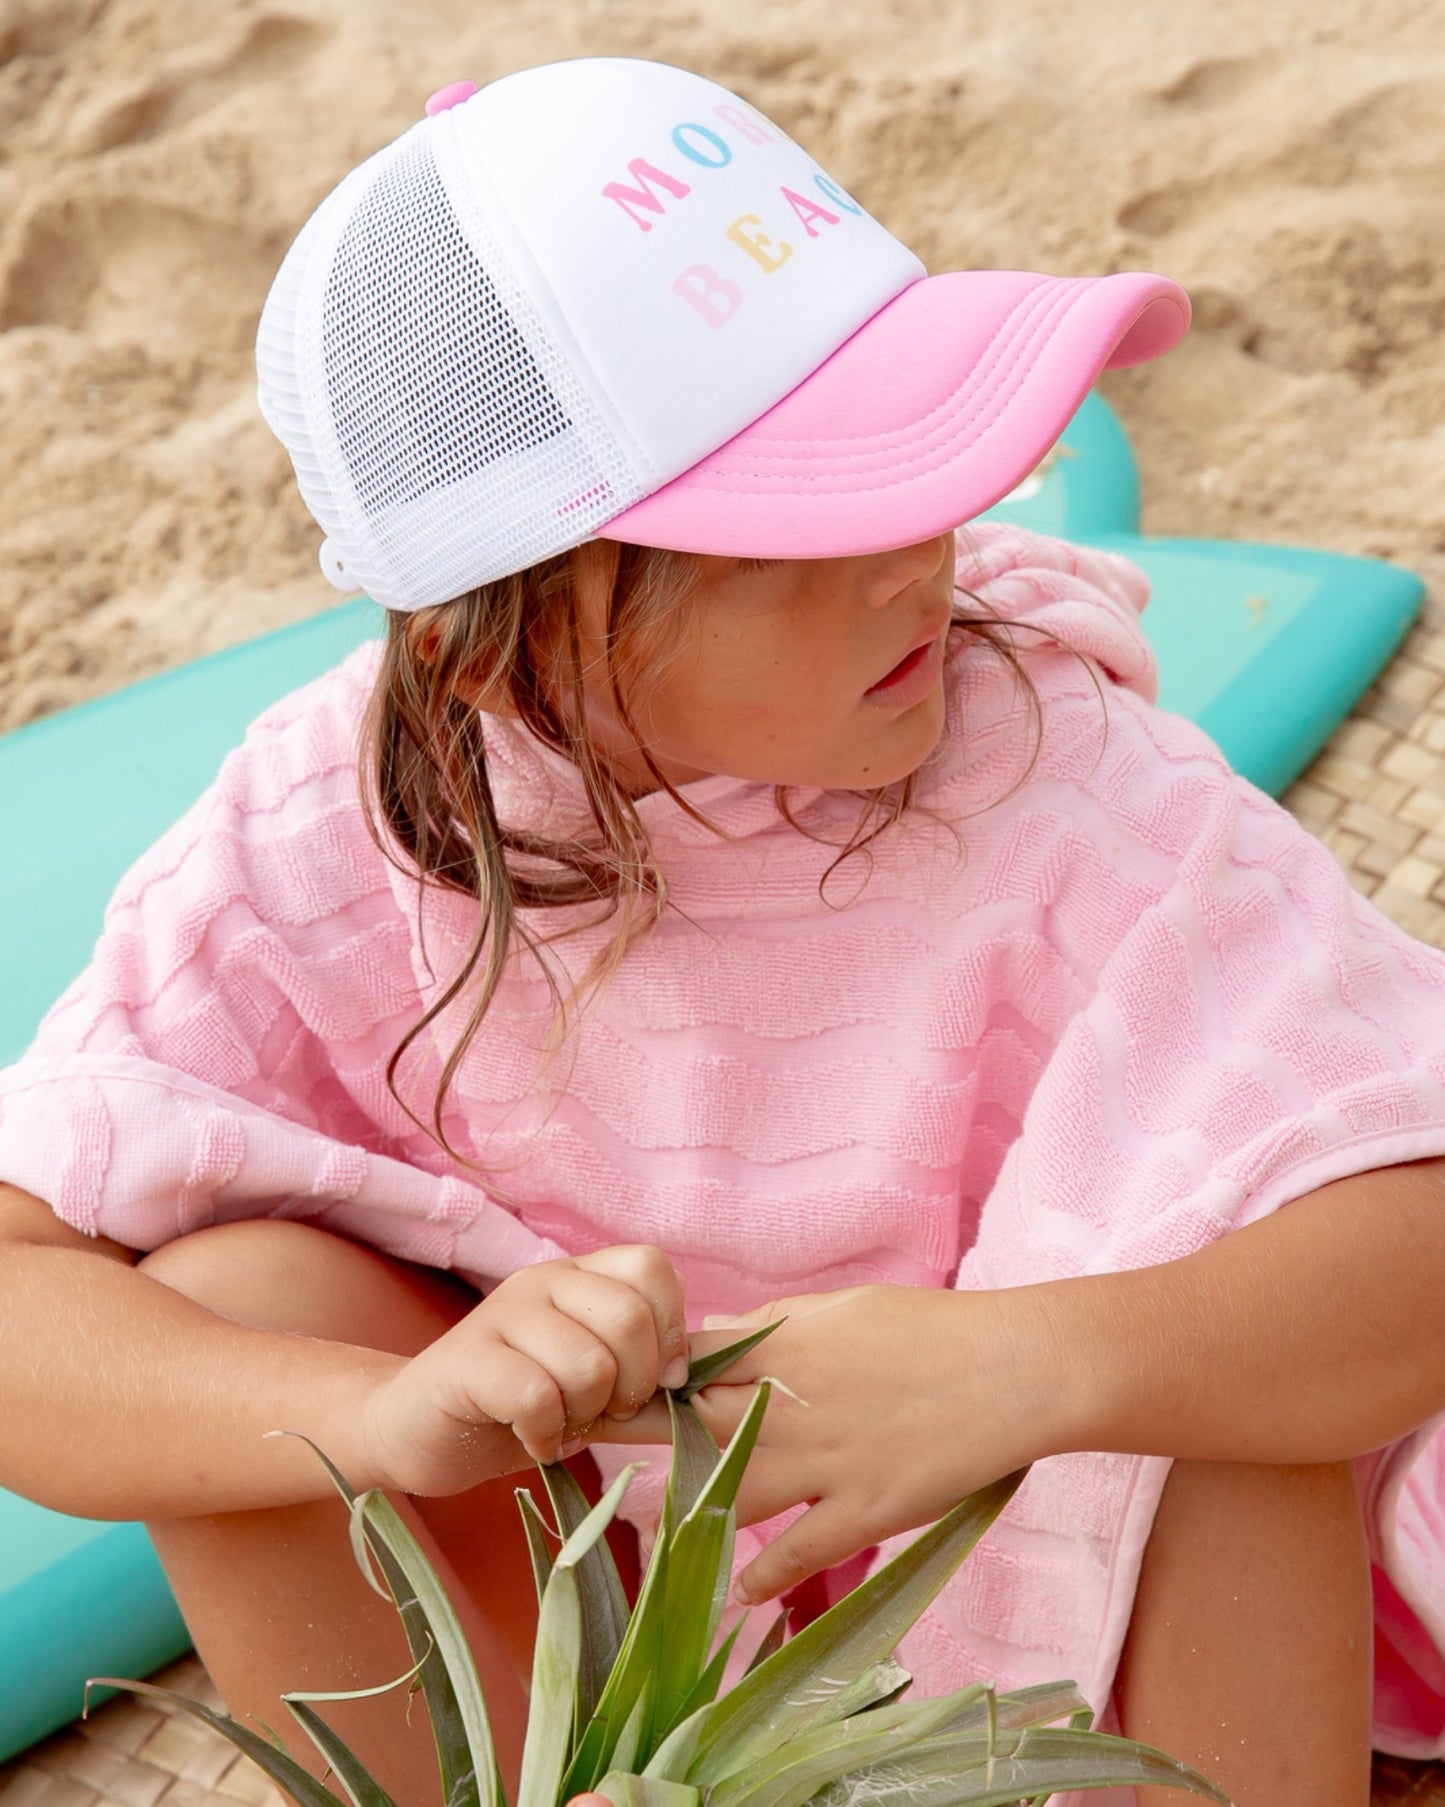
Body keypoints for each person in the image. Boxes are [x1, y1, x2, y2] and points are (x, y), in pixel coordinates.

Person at [1, 53, 1443, 1807]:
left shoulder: (1054, 778)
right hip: (624, 1689)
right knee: (240, 1301)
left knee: (1231, 1381)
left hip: (1049, 1630)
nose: (914, 555)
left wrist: (1029, 1371)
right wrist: (385, 1414)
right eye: (801, 529)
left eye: (911, 459)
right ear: (494, 650)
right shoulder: (332, 833)